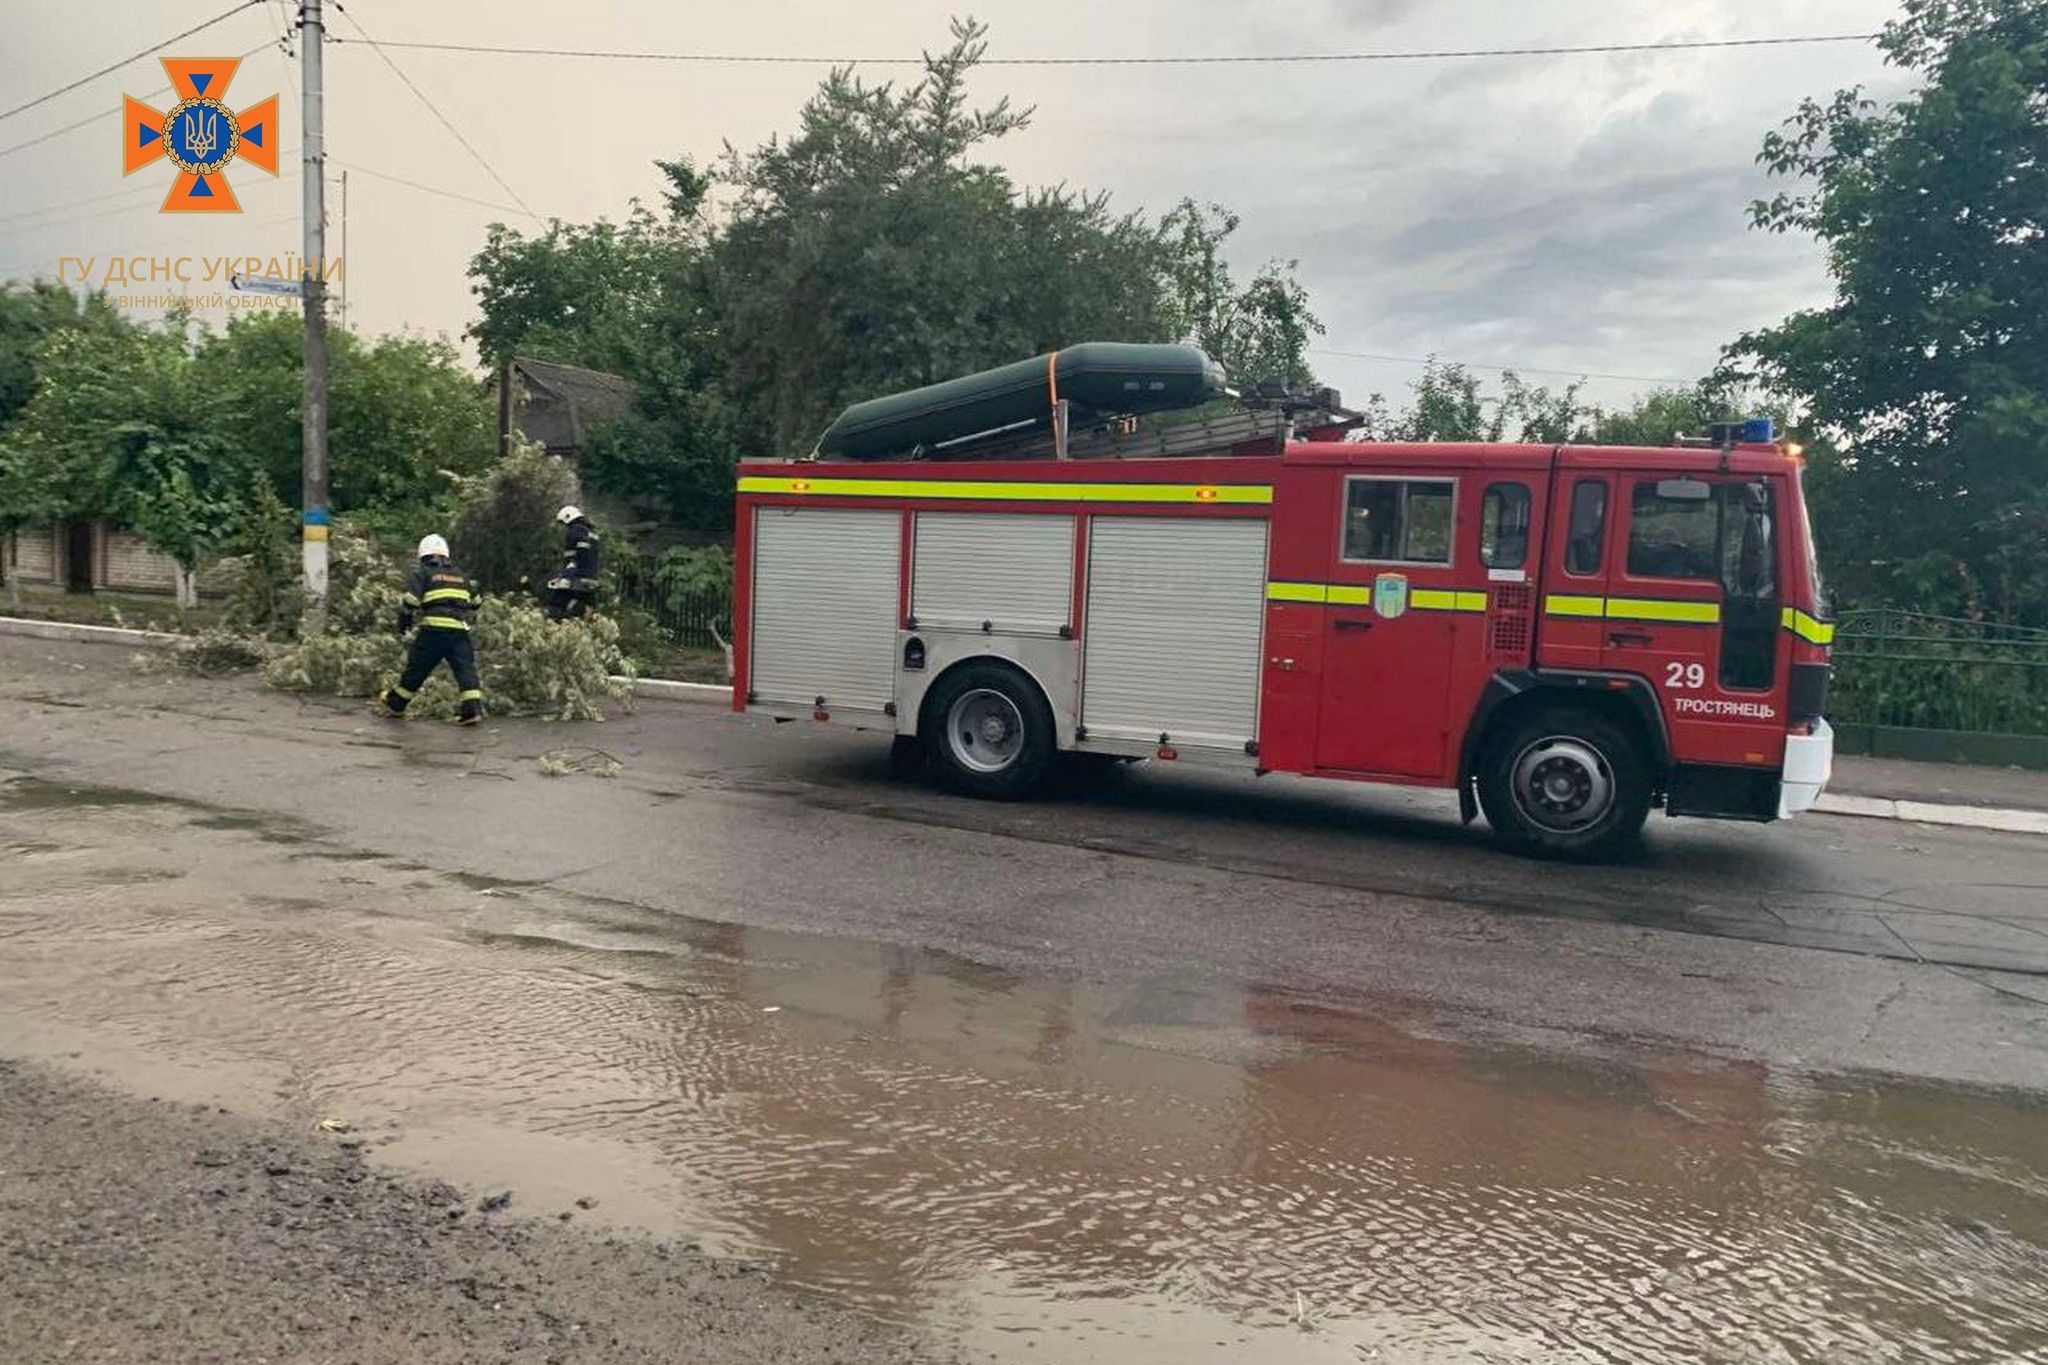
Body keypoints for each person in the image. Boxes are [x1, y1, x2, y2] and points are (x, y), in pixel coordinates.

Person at [376, 534, 484, 725]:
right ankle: (472, 710)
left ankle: (396, 703)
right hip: (459, 630)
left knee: (417, 668)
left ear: (423, 555)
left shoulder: (424, 572)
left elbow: (411, 600)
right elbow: (476, 602)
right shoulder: (461, 575)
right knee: (465, 669)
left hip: (434, 631)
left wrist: (405, 619)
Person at [545, 505, 602, 620]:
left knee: (556, 604)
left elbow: (572, 558)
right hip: (592, 579)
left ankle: (560, 623)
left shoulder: (574, 531)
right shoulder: (593, 534)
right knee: (587, 609)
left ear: (568, 517)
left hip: (577, 577)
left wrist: (565, 577)